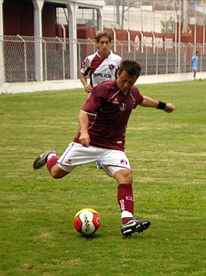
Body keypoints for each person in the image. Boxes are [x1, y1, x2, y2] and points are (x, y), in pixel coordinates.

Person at [33, 59, 175, 237]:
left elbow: (141, 100)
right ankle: (50, 156)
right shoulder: (103, 90)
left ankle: (127, 221)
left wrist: (163, 106)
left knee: (125, 176)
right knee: (56, 173)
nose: (125, 85)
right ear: (117, 73)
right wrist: (84, 132)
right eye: (123, 80)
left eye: (130, 82)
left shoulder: (132, 93)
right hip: (88, 142)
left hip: (113, 147)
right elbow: (84, 112)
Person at [80, 31, 122, 168]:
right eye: (101, 43)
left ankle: (103, 158)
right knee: (92, 127)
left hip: (111, 100)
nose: (104, 45)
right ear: (97, 44)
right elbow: (82, 73)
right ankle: (91, 154)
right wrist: (85, 84)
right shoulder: (90, 60)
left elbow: (122, 77)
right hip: (94, 100)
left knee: (110, 128)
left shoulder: (117, 60)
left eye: (107, 42)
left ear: (110, 44)